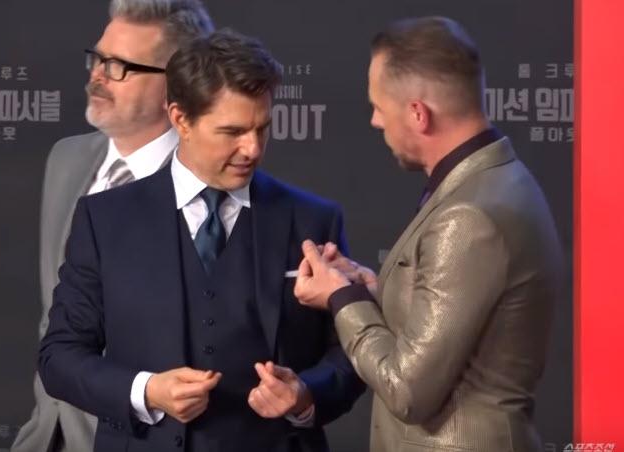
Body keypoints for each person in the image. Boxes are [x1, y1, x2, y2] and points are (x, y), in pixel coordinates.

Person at [38, 29, 364, 452]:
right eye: (232, 131)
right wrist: (147, 391)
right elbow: (60, 357)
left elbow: (351, 350)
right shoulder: (104, 219)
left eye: (262, 129)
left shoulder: (313, 219)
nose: (252, 149)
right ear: (180, 119)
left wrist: (304, 394)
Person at [294, 16, 563, 452]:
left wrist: (341, 299)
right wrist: (365, 290)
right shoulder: (493, 181)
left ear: (418, 114)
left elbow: (406, 390)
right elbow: (460, 321)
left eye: (379, 107)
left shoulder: (469, 215)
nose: (375, 121)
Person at [12, 1, 213, 451]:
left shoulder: (205, 189)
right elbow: (57, 321)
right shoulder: (66, 159)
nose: (97, 77)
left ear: (177, 86)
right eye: (97, 58)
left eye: (119, 66)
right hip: (48, 436)